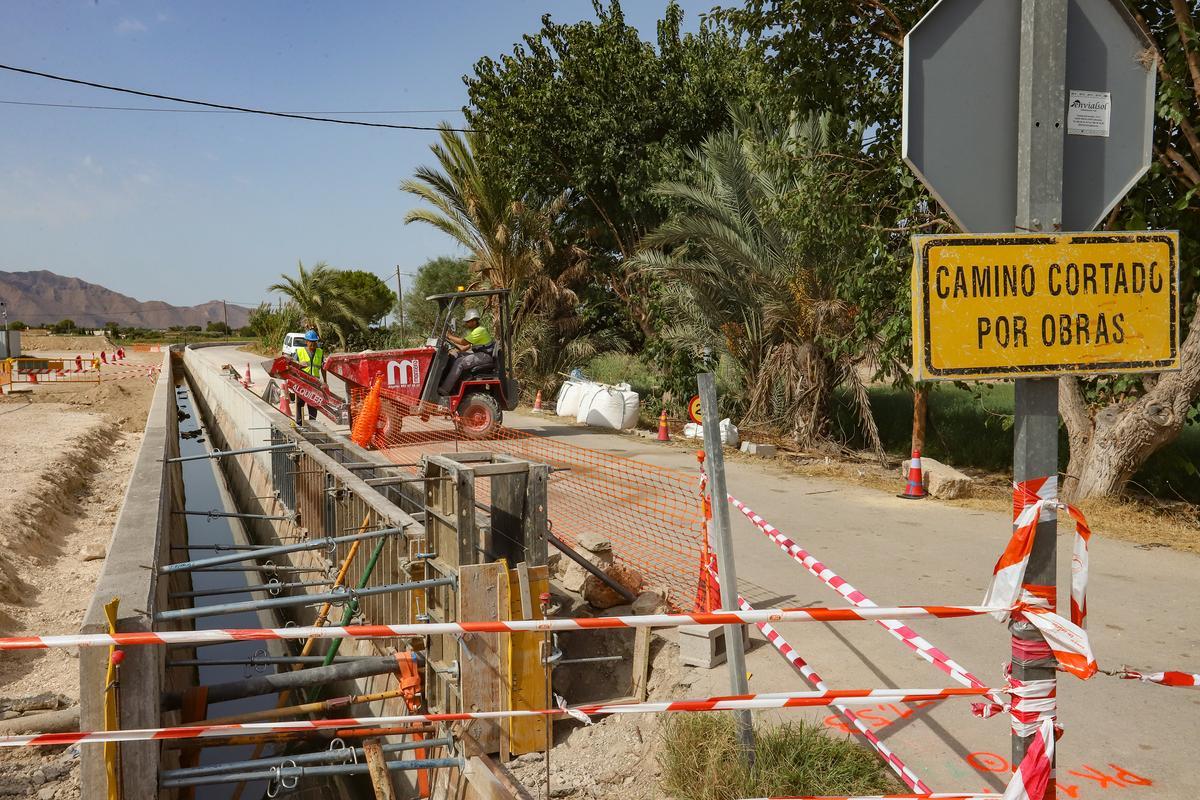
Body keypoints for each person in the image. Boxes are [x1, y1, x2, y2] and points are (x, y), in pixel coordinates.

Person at [439, 308, 494, 396]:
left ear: (474, 321)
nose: (466, 323)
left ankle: (444, 390)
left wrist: (449, 336)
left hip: (485, 356)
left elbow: (463, 342)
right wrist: (455, 349)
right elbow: (465, 347)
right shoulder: (474, 331)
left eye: (468, 321)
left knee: (459, 362)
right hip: (481, 354)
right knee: (456, 355)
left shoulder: (479, 331)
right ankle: (454, 383)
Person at [293, 329, 325, 424]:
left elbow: (323, 368)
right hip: (302, 382)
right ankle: (299, 423)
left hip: (314, 383)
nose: (313, 344)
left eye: (315, 342)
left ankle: (312, 423)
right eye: (311, 341)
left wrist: (325, 382)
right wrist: (299, 364)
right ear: (306, 342)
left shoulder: (320, 352)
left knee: (313, 404)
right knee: (300, 403)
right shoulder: (300, 352)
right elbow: (292, 365)